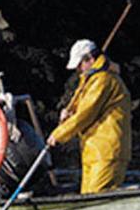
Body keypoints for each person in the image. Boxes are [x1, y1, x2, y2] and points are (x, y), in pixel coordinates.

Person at [47, 39, 132, 194]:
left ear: (90, 59)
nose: (78, 70)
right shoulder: (90, 80)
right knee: (87, 195)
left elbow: (86, 114)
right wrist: (69, 112)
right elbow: (81, 108)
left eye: (80, 65)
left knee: (97, 196)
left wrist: (58, 135)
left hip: (107, 151)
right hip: (92, 151)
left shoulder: (103, 80)